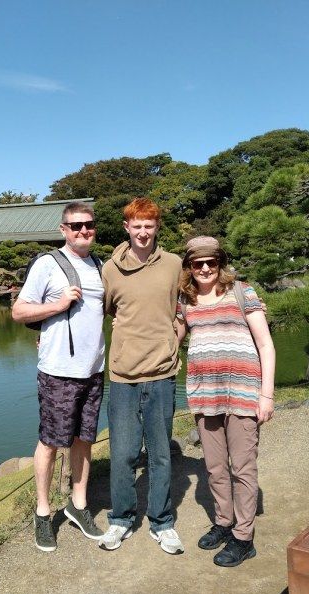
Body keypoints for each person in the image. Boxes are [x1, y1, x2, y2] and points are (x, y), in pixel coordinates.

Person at [175, 236, 275, 567]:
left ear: (220, 262)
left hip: (244, 393)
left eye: (211, 262)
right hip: (205, 394)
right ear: (189, 267)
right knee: (215, 467)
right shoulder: (185, 300)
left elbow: (266, 345)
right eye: (197, 263)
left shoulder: (241, 292)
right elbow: (169, 340)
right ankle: (224, 521)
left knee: (243, 467)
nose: (205, 268)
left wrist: (267, 395)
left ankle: (244, 538)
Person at [11, 201, 106, 552]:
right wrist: (57, 305)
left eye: (89, 225)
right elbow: (18, 311)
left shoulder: (99, 265)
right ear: (63, 229)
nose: (84, 231)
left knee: (84, 438)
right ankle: (42, 511)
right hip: (58, 371)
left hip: (93, 369)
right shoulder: (47, 264)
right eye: (76, 225)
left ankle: (78, 506)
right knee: (51, 441)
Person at [98, 197, 185, 555]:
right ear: (127, 228)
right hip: (122, 374)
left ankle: (162, 522)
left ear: (156, 227)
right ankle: (121, 519)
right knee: (122, 453)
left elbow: (184, 308)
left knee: (161, 452)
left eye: (149, 226)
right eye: (137, 226)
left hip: (162, 373)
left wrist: (173, 338)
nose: (144, 232)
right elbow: (99, 312)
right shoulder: (109, 269)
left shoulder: (174, 264)